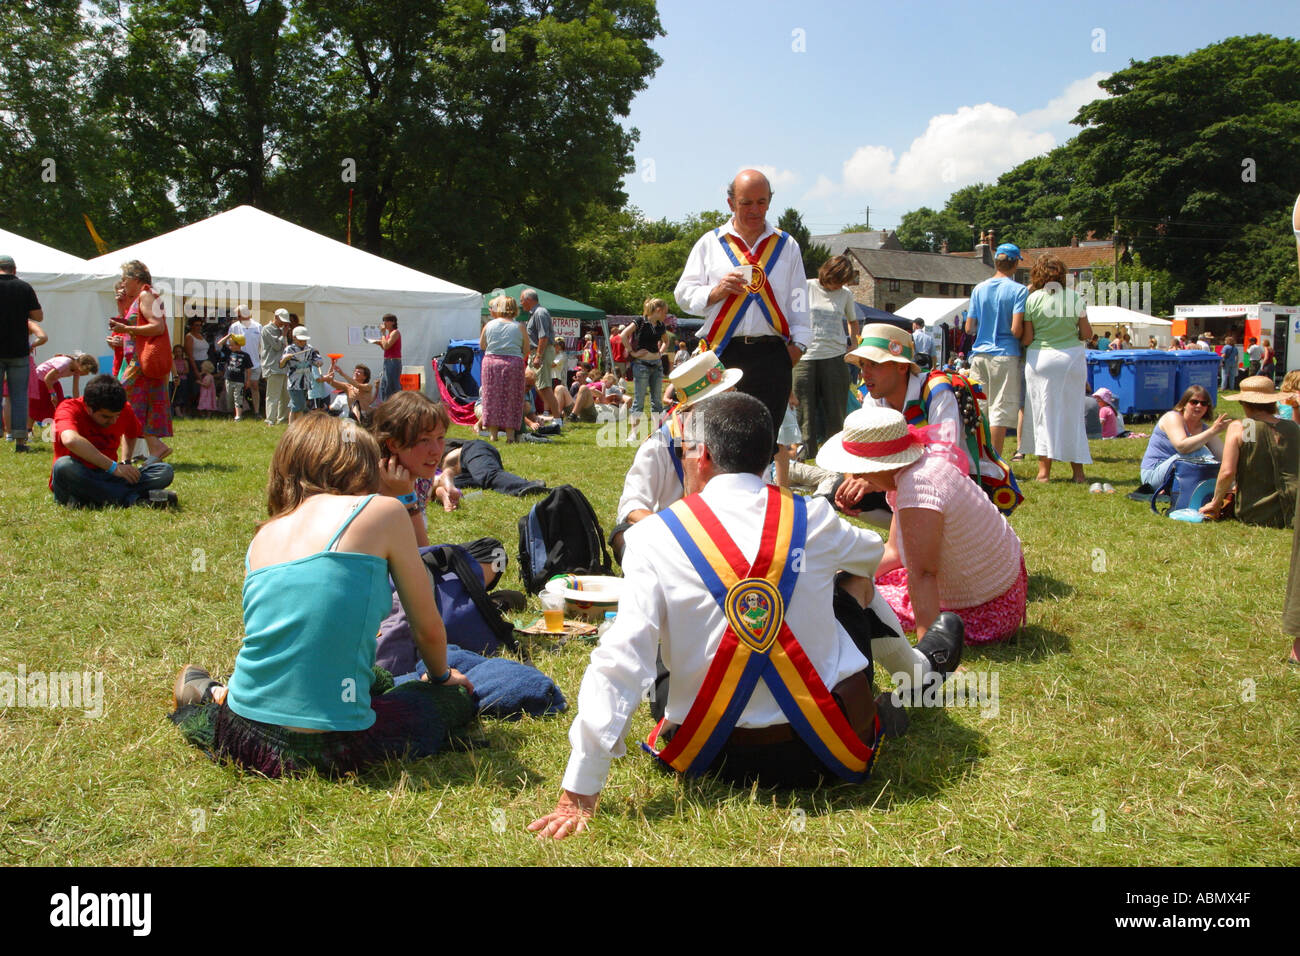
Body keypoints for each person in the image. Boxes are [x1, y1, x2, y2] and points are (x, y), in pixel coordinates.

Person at [529, 392, 961, 839]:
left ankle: (918, 673)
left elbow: (620, 660)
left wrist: (579, 791)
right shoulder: (813, 518)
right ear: (768, 457)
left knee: (661, 634)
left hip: (709, 756)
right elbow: (875, 556)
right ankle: (917, 672)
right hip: (822, 752)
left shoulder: (651, 537)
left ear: (706, 455)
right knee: (852, 586)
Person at [169, 414, 474, 777]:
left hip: (243, 732)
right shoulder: (385, 511)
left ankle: (212, 693)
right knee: (452, 699)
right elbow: (426, 628)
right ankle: (211, 691)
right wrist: (441, 679)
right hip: (333, 743)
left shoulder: (263, 535)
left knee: (376, 678)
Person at [819, 406, 1026, 645]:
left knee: (854, 596)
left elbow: (923, 574)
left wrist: (931, 645)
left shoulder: (917, 487)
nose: (855, 475)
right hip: (1005, 593)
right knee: (851, 582)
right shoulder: (922, 467)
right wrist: (840, 574)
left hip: (985, 612)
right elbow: (896, 552)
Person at [673, 168, 810, 452]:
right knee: (715, 444)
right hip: (721, 354)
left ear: (770, 201)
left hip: (773, 356)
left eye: (761, 202)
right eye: (746, 202)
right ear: (730, 203)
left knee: (763, 446)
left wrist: (797, 348)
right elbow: (683, 295)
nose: (755, 210)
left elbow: (799, 302)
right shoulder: (710, 243)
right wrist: (716, 292)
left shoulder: (787, 246)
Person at [610, 350, 742, 563]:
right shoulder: (660, 444)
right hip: (673, 543)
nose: (734, 403)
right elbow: (632, 506)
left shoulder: (740, 438)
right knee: (623, 535)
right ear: (697, 406)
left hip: (728, 539)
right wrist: (677, 535)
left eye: (732, 393)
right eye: (725, 397)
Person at [1016, 253, 1093, 483]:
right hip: (1071, 360)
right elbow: (1087, 334)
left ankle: (1044, 473)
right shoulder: (1074, 298)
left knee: (1042, 415)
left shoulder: (1032, 299)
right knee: (1073, 415)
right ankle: (1078, 473)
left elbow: (1028, 338)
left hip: (1041, 360)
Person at [49, 374, 176, 508]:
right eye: (106, 417)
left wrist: (125, 462)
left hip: (107, 476)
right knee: (63, 466)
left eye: (117, 416)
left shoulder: (124, 408)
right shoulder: (68, 408)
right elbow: (71, 440)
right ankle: (135, 499)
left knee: (164, 471)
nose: (113, 421)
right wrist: (113, 467)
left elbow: (132, 433)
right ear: (88, 407)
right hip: (79, 477)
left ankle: (99, 498)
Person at [1199, 377, 1298, 528]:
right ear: (1272, 401)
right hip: (1295, 510)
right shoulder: (1292, 427)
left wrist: (1215, 503)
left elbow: (1227, 472)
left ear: (1243, 402)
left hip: (1258, 513)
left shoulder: (1243, 427)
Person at [370, 391, 461, 546]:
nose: (436, 450)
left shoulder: (421, 480)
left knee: (487, 549)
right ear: (394, 444)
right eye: (424, 440)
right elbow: (421, 550)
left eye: (440, 438)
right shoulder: (375, 491)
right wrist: (407, 498)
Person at [964, 243, 1027, 460]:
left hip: (979, 354)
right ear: (1016, 263)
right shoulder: (1019, 290)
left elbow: (968, 327)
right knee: (1000, 409)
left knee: (980, 409)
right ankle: (995, 460)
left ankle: (978, 456)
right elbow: (1016, 329)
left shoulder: (979, 289)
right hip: (1005, 354)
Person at [793, 255, 858, 460]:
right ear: (826, 272)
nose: (837, 286)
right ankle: (806, 455)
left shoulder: (845, 294)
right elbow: (791, 318)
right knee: (804, 412)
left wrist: (853, 345)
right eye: (835, 280)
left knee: (836, 412)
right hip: (804, 358)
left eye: (842, 282)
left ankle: (836, 457)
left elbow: (853, 322)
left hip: (835, 357)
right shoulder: (805, 286)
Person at [109, 260, 173, 460]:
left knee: (120, 399)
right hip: (139, 362)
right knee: (136, 407)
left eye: (124, 279)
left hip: (141, 361)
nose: (122, 283)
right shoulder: (141, 297)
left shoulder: (146, 295)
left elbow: (157, 326)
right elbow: (138, 321)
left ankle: (154, 447)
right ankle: (140, 453)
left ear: (135, 279)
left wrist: (127, 329)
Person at [1138, 385, 1229, 492]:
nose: (1199, 406)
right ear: (1184, 404)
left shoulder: (1204, 429)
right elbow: (1182, 447)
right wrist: (1213, 431)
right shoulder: (1172, 417)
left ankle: (1228, 486)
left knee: (1215, 460)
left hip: (1179, 475)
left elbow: (1223, 457)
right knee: (1197, 451)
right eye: (1194, 402)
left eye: (1204, 403)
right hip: (1152, 474)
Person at [0, 254, 44, 453]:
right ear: (14, 269)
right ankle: (20, 442)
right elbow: (38, 316)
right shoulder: (24, 287)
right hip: (18, 350)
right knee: (19, 396)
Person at [479, 294, 526, 442]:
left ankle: (493, 435)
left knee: (491, 397)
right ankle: (510, 435)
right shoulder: (519, 327)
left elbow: (482, 345)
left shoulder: (489, 325)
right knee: (513, 398)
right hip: (513, 363)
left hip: (491, 362)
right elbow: (526, 349)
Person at [621, 296, 669, 442]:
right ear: (658, 310)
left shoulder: (660, 325)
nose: (666, 315)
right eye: (665, 312)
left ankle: (657, 432)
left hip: (657, 365)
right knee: (639, 400)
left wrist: (660, 352)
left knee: (657, 401)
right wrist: (632, 352)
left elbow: (666, 341)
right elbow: (623, 335)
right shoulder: (640, 321)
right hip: (641, 365)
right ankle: (633, 433)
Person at [2, 318, 46, 441]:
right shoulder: (27, 322)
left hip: (4, 359)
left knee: (8, 399)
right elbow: (43, 337)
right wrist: (31, 345)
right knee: (22, 398)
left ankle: (9, 434)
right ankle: (21, 434)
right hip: (23, 359)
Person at [520, 290, 559, 417]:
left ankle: (558, 418)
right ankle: (526, 414)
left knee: (544, 386)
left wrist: (538, 356)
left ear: (529, 300)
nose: (521, 304)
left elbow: (544, 337)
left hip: (541, 352)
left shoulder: (540, 313)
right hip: (535, 353)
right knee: (527, 381)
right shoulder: (534, 314)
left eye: (522, 300)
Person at [30, 353, 99, 422]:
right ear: (81, 365)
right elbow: (47, 378)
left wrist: (78, 404)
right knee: (37, 406)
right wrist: (53, 394)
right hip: (39, 380)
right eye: (86, 371)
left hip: (53, 380)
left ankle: (59, 423)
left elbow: (75, 389)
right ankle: (29, 430)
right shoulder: (64, 364)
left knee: (60, 404)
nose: (86, 374)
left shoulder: (77, 370)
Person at [222, 305, 262, 416]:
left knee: (254, 386)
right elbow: (228, 343)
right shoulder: (234, 326)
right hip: (239, 364)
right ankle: (237, 413)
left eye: (239, 315)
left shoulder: (258, 326)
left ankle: (257, 411)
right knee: (237, 389)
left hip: (255, 362)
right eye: (237, 316)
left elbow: (262, 345)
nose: (237, 318)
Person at [281, 326, 323, 424]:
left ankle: (291, 426)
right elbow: (281, 365)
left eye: (304, 340)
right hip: (294, 383)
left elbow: (318, 359)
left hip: (306, 382)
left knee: (295, 405)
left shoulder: (310, 349)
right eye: (300, 340)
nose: (302, 342)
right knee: (299, 405)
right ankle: (298, 425)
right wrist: (285, 358)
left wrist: (319, 362)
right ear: (294, 338)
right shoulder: (289, 349)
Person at [261, 308, 291, 426]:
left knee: (285, 396)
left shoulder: (280, 330)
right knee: (273, 395)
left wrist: (284, 334)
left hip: (284, 367)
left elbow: (286, 347)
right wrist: (283, 334)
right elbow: (277, 347)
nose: (283, 323)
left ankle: (282, 419)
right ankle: (270, 420)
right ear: (276, 317)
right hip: (273, 366)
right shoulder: (267, 329)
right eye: (281, 320)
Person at [222, 331, 255, 421]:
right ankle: (230, 413)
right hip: (229, 379)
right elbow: (220, 343)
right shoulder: (229, 353)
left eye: (232, 345)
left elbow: (248, 369)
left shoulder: (245, 356)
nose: (230, 346)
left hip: (239, 381)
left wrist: (248, 380)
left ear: (238, 345)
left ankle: (238, 415)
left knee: (238, 398)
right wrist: (228, 335)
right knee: (229, 398)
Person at [371, 313, 402, 403]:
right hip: (388, 360)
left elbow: (387, 346)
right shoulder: (389, 334)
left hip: (393, 361)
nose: (384, 323)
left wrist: (383, 334)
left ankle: (394, 403)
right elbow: (385, 348)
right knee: (385, 384)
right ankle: (387, 403)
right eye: (384, 321)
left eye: (387, 321)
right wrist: (379, 343)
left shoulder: (395, 332)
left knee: (391, 384)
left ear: (393, 322)